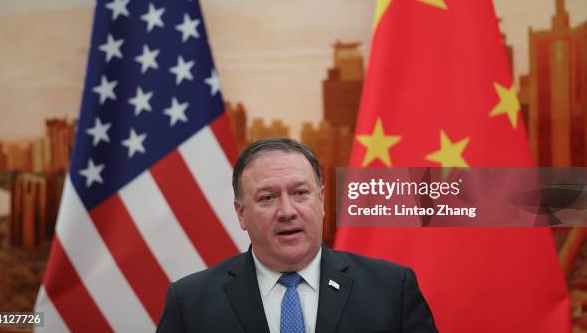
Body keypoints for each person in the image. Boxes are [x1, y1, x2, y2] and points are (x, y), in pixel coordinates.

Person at [157, 138, 437, 332]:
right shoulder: (191, 303)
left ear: (322, 201)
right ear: (241, 214)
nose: (287, 211)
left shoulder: (391, 289)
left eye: (300, 193)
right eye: (267, 197)